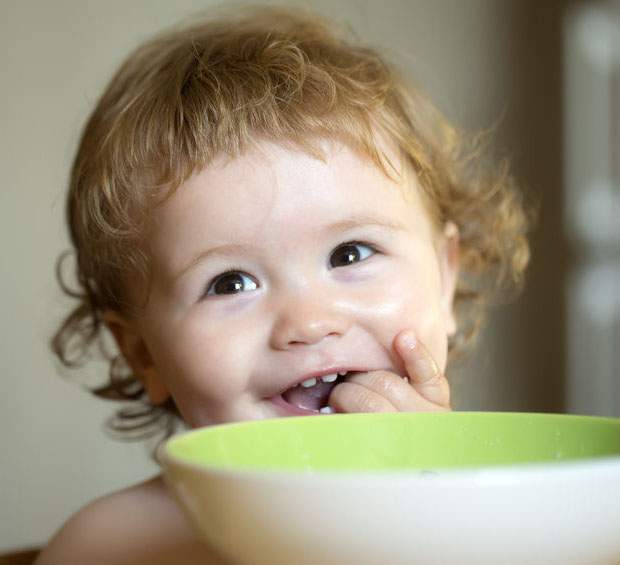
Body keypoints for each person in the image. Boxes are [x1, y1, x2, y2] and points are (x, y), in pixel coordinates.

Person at [36, 6, 530, 564]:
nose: (309, 321)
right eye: (230, 283)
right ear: (143, 353)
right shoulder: (110, 548)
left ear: (445, 281)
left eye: (350, 253)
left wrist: (435, 515)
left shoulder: (514, 521)